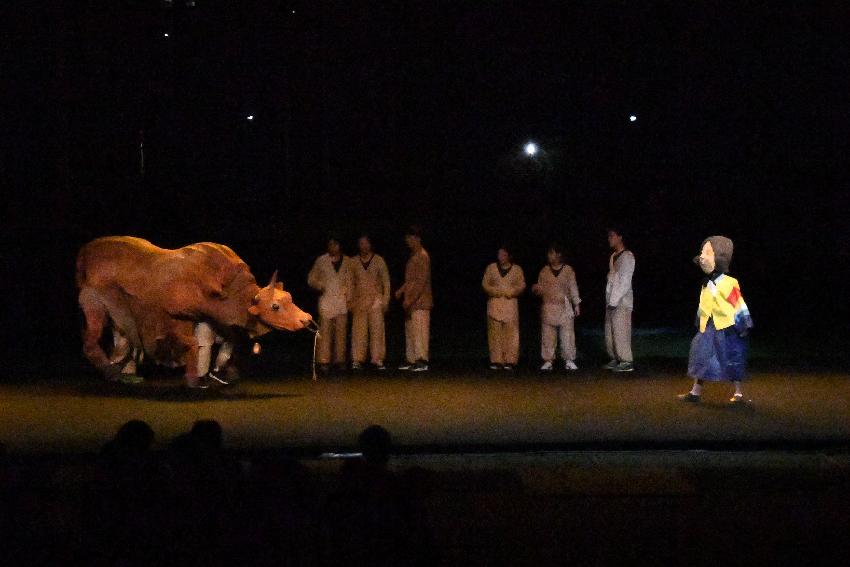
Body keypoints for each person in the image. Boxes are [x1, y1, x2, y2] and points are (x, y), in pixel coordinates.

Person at [678, 236, 753, 404]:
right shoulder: (706, 283)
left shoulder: (729, 283)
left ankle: (738, 393)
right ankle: (695, 392)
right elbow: (703, 304)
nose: (703, 257)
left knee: (731, 358)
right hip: (709, 327)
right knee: (701, 355)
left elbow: (738, 303)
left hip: (727, 328)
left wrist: (743, 323)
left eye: (708, 253)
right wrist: (700, 320)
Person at [308, 235, 353, 375]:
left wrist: (349, 298)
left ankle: (340, 361)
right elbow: (311, 279)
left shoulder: (348, 261)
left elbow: (351, 282)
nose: (333, 247)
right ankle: (324, 361)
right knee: (325, 333)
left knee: (341, 333)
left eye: (335, 244)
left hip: (341, 302)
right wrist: (319, 285)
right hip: (326, 301)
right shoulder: (321, 261)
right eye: (330, 244)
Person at [532, 243, 581, 371]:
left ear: (558, 254)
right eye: (548, 253)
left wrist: (576, 303)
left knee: (567, 335)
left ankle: (569, 360)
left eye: (551, 253)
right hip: (548, 306)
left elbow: (573, 287)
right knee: (548, 335)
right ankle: (548, 360)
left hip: (564, 307)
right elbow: (541, 287)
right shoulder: (544, 270)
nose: (549, 256)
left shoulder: (568, 270)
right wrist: (537, 289)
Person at [350, 234, 391, 371]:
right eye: (361, 244)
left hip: (376, 300)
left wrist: (385, 300)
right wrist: (350, 301)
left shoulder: (379, 260)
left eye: (366, 243)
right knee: (358, 332)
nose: (364, 246)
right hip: (360, 301)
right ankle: (357, 359)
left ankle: (377, 358)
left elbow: (386, 282)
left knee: (377, 330)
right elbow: (350, 282)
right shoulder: (354, 262)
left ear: (370, 245)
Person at [394, 225, 432, 372]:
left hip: (420, 301)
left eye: (410, 239)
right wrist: (401, 291)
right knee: (410, 331)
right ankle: (411, 358)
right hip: (410, 301)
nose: (408, 242)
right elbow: (411, 280)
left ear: (417, 239)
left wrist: (411, 299)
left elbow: (421, 282)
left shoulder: (422, 256)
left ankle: (422, 360)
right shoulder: (413, 256)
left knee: (420, 330)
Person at [481, 246, 526, 370]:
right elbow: (485, 283)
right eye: (499, 254)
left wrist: (511, 292)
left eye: (504, 255)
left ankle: (510, 360)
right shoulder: (491, 268)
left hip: (510, 304)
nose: (501, 257)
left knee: (511, 333)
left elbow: (521, 285)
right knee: (495, 333)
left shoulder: (517, 270)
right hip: (495, 303)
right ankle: (496, 360)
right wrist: (495, 291)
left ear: (509, 256)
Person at [603, 228, 636, 372]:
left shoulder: (627, 256)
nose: (609, 239)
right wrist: (609, 299)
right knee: (610, 331)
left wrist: (614, 300)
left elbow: (624, 282)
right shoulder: (613, 257)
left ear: (620, 237)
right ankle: (615, 357)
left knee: (621, 330)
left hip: (622, 301)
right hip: (611, 300)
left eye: (612, 236)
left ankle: (626, 360)